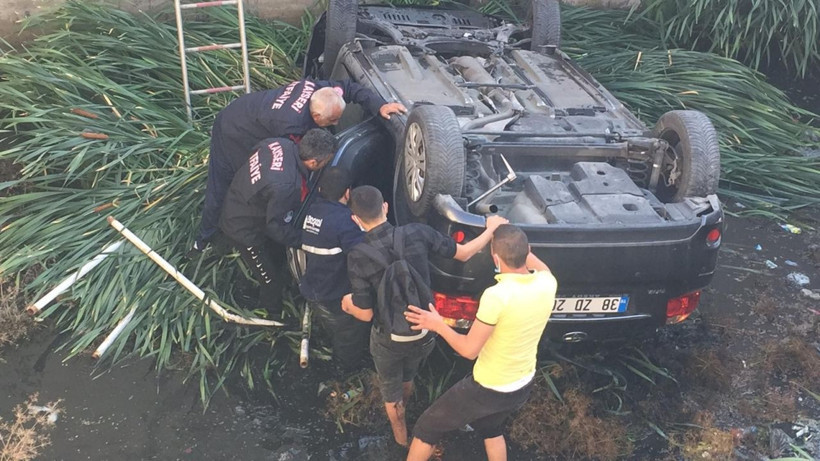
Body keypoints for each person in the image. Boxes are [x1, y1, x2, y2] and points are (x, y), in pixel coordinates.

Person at [343, 185, 508, 448]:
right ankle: (406, 397)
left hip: (388, 338)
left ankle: (401, 439)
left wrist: (347, 304)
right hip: (426, 330)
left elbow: (364, 314)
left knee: (390, 389)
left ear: (355, 220)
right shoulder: (417, 232)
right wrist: (490, 229)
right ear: (385, 207)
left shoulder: (357, 255)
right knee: (408, 374)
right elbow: (464, 253)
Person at [194, 79, 407, 252]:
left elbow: (348, 87)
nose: (335, 125)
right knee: (228, 184)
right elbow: (291, 164)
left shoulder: (319, 90)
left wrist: (379, 105)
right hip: (235, 130)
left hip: (251, 111)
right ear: (315, 117)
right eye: (332, 121)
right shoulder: (290, 127)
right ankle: (205, 240)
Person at [403, 224, 557, 461]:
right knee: (490, 427)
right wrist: (507, 233)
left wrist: (437, 324)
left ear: (495, 257)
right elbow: (537, 264)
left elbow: (469, 350)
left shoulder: (497, 296)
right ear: (528, 250)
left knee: (427, 428)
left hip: (490, 387)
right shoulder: (548, 282)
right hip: (522, 384)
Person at [219, 128, 337, 318]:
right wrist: (307, 240)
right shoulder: (287, 186)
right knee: (270, 281)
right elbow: (276, 229)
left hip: (239, 199)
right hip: (242, 230)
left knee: (274, 257)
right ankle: (273, 317)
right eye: (325, 162)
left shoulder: (277, 144)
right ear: (314, 162)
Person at [298, 166, 370, 374]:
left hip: (313, 288)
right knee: (349, 336)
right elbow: (363, 256)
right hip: (336, 295)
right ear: (348, 193)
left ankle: (331, 344)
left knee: (332, 326)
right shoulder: (346, 222)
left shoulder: (311, 210)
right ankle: (346, 371)